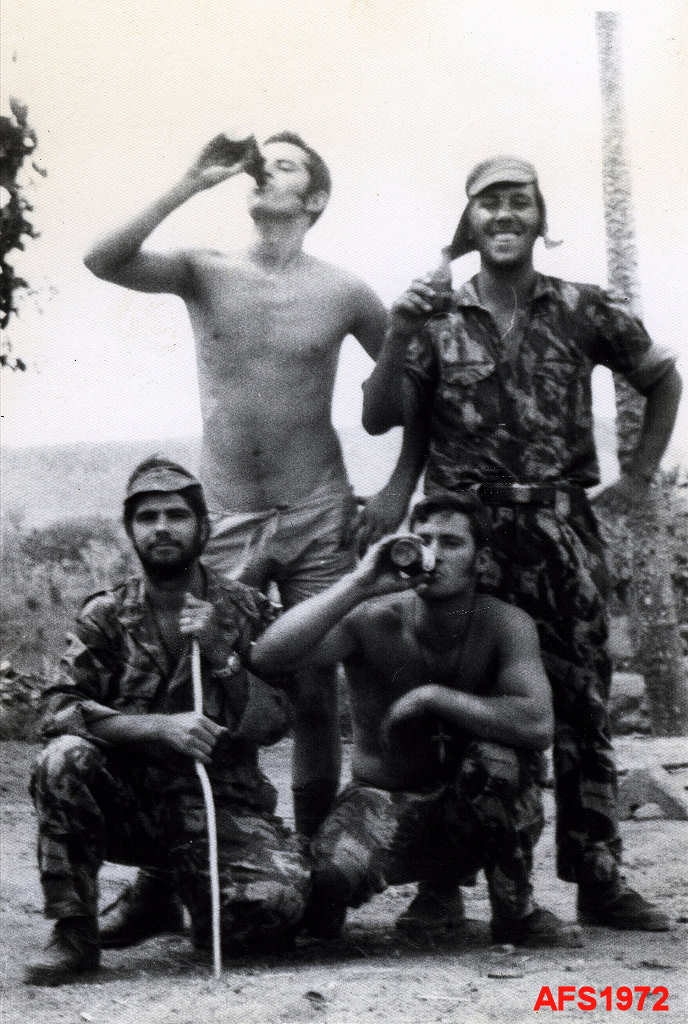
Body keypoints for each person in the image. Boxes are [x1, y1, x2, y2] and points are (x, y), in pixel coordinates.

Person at [83, 131, 400, 937]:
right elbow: (102, 259)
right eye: (264, 162)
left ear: (315, 197)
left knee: (315, 688)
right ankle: (166, 878)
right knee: (193, 679)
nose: (265, 169)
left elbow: (410, 385)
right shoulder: (205, 269)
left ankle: (318, 876)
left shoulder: (345, 292)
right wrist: (192, 179)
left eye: (285, 164)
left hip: (318, 504)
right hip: (224, 511)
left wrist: (398, 488)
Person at [360, 156, 682, 931]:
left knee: (581, 702)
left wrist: (639, 476)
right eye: (488, 203)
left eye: (518, 201)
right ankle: (444, 883)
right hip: (464, 534)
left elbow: (663, 378)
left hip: (560, 529)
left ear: (540, 218)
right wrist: (399, 476)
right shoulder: (436, 319)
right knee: (457, 693)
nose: (504, 214)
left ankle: (598, 879)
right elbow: (382, 417)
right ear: (469, 222)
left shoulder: (583, 307)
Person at [24, 458, 310, 986]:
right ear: (130, 529)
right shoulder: (106, 614)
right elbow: (58, 708)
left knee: (275, 908)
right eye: (147, 517)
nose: (161, 528)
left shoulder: (247, 609)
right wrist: (156, 727)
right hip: (132, 802)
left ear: (202, 528)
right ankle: (75, 932)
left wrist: (223, 653)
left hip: (219, 804)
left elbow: (276, 723)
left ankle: (164, 894)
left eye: (176, 515)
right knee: (62, 758)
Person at [251, 492, 582, 946]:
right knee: (328, 882)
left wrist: (434, 697)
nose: (434, 554)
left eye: (452, 543)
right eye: (424, 540)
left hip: (470, 809)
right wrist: (359, 583)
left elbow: (537, 724)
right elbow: (269, 657)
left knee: (500, 761)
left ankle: (515, 910)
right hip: (384, 801)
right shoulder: (371, 618)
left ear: (481, 561)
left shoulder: (505, 623)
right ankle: (414, 894)